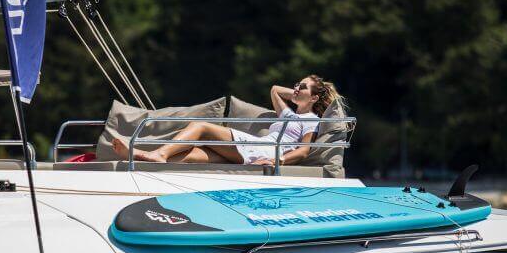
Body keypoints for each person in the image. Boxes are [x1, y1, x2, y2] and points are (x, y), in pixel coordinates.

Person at [112, 75, 342, 166]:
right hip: (252, 149)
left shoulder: (311, 119)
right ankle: (142, 160)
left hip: (262, 150)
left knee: (200, 127)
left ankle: (158, 154)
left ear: (313, 97)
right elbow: (273, 90)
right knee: (190, 155)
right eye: (296, 84)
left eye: (301, 86)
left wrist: (276, 161)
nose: (295, 88)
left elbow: (303, 152)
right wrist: (295, 92)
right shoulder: (290, 115)